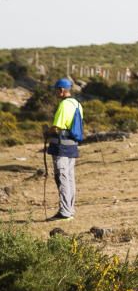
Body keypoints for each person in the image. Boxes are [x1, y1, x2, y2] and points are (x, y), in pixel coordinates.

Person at [45, 77, 83, 220]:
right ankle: (69, 209)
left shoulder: (64, 105)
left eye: (56, 90)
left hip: (61, 146)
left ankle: (65, 212)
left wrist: (47, 132)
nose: (56, 93)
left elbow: (57, 127)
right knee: (70, 178)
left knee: (62, 178)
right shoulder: (77, 104)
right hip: (72, 146)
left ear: (61, 90)